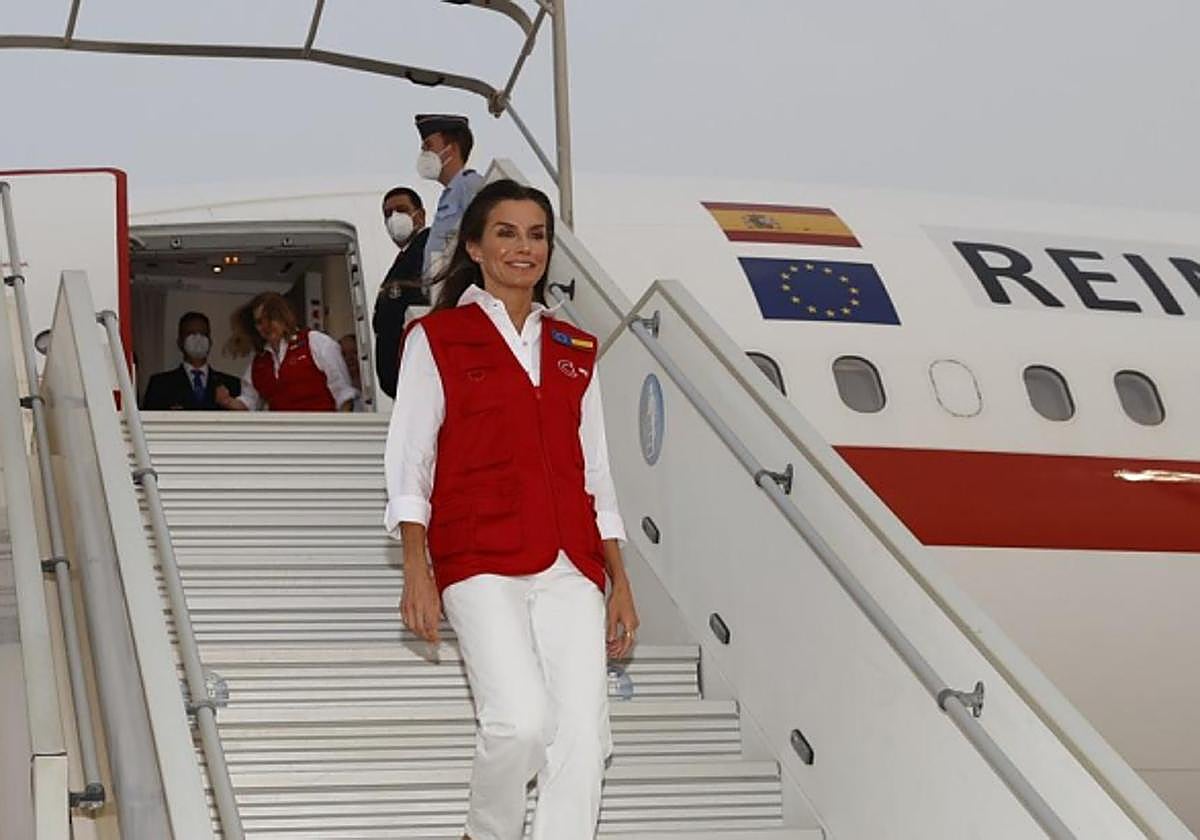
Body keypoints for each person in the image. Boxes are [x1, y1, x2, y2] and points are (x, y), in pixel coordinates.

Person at [385, 179, 639, 840]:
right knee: (521, 721)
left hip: (569, 562)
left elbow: (598, 473)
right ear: (474, 245)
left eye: (536, 234)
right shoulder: (437, 338)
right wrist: (417, 565)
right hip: (478, 558)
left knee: (583, 740)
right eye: (506, 232)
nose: (523, 248)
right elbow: (410, 462)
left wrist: (620, 581)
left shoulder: (575, 350)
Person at [217, 292, 357, 412]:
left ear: (284, 316)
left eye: (270, 319)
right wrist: (228, 402)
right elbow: (249, 402)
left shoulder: (315, 342)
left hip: (323, 434)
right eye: (259, 322)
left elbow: (344, 394)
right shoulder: (259, 362)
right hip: (283, 438)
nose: (265, 326)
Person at [374, 185, 431, 397]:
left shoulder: (426, 249)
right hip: (404, 383)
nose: (394, 218)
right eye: (388, 214)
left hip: (417, 378)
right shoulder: (404, 258)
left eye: (401, 210)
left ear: (420, 215)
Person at [415, 113, 485, 279]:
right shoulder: (452, 192)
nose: (423, 153)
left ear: (451, 148)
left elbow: (481, 235)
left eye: (428, 146)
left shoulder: (470, 185)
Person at [141, 311, 242, 411]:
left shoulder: (232, 385)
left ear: (210, 342)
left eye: (203, 334)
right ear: (180, 342)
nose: (198, 339)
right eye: (191, 333)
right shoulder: (160, 385)